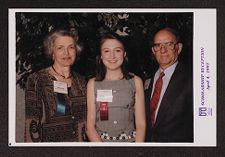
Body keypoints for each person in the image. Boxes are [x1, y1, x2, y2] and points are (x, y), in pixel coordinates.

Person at [25, 29, 87, 142]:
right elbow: (31, 122)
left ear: (76, 50)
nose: (66, 53)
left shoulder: (82, 81)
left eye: (71, 47)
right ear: (52, 51)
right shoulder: (37, 79)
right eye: (60, 48)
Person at [86, 33, 146, 142]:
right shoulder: (92, 84)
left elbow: (141, 124)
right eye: (107, 51)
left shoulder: (136, 81)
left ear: (124, 54)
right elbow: (90, 127)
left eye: (117, 50)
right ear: (101, 56)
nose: (112, 56)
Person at [145, 27, 193, 142]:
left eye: (169, 44)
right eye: (158, 45)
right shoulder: (146, 80)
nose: (163, 50)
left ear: (179, 47)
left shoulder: (192, 80)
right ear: (153, 50)